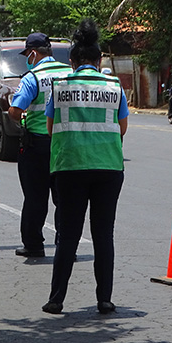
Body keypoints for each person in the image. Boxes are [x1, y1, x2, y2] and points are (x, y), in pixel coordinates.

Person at [41, 18, 129, 315]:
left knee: (68, 235)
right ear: (99, 60)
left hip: (69, 167)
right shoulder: (114, 86)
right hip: (108, 169)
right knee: (103, 235)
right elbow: (122, 127)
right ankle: (104, 299)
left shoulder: (60, 86)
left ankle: (56, 300)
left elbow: (50, 128)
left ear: (73, 62)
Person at [8, 33, 71, 258]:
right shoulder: (70, 74)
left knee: (35, 197)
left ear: (33, 53)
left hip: (38, 145)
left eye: (27, 54)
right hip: (66, 145)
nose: (27, 59)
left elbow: (15, 111)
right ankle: (66, 245)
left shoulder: (32, 77)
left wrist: (21, 117)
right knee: (65, 199)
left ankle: (34, 245)